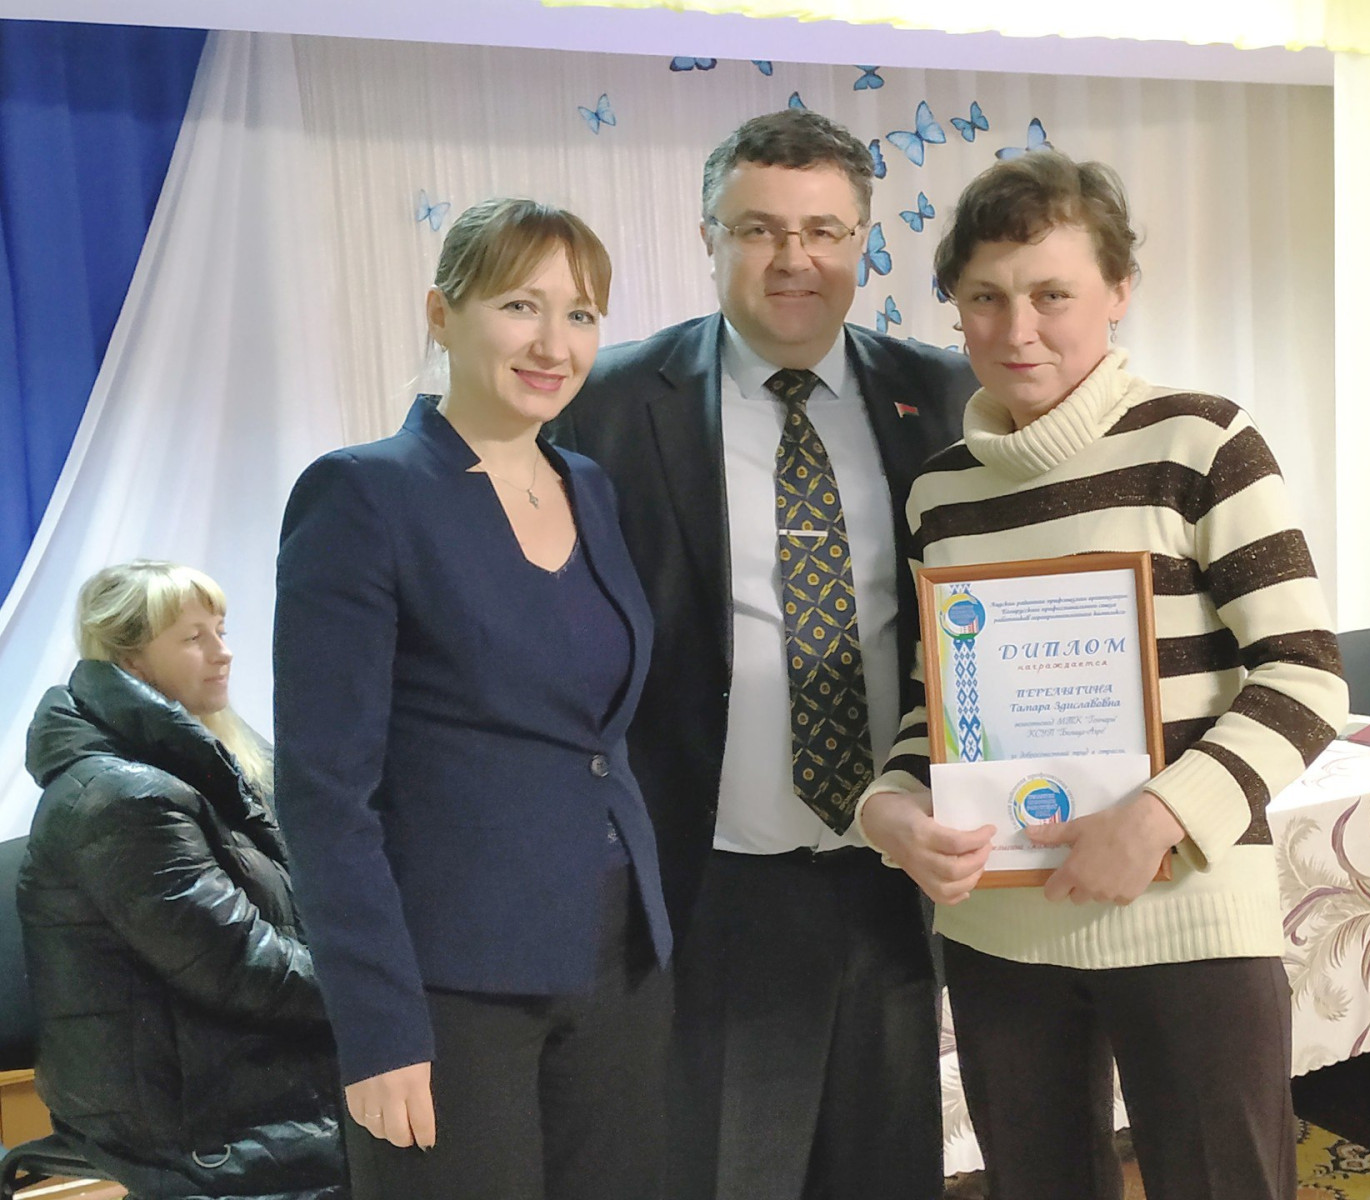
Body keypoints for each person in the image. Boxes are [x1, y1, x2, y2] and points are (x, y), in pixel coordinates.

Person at [858, 150, 1348, 1200]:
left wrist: (1159, 816)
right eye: (984, 297)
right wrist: (891, 803)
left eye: (1052, 294)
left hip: (1186, 914)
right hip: (998, 928)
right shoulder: (941, 492)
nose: (1017, 329)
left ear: (1118, 291)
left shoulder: (1200, 439)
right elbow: (936, 704)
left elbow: (1305, 676)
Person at [555, 108, 975, 1200]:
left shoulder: (945, 398)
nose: (795, 258)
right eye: (759, 229)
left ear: (862, 242)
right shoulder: (604, 408)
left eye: (824, 231)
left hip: (895, 877)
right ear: (708, 237)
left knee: (887, 1172)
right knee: (717, 1174)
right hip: (707, 887)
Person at [272, 198, 672, 1200]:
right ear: (441, 314)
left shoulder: (589, 486)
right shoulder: (363, 494)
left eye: (580, 314)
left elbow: (598, 734)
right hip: (450, 985)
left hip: (619, 956)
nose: (553, 344)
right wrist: (377, 1028)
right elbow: (325, 793)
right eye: (519, 306)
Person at [18, 560, 346, 1200]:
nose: (223, 653)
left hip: (232, 1062)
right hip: (187, 1112)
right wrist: (379, 993)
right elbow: (241, 965)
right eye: (194, 638)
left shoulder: (215, 762)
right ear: (132, 662)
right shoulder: (123, 800)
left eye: (220, 630)